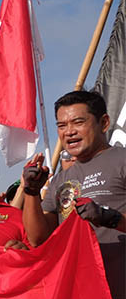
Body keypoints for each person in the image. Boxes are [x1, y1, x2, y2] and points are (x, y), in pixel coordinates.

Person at [22, 91, 125, 246]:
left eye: (78, 122)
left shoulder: (122, 159)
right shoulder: (59, 179)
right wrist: (31, 192)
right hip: (80, 270)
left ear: (104, 123)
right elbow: (37, 239)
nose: (69, 132)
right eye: (62, 125)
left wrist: (109, 217)